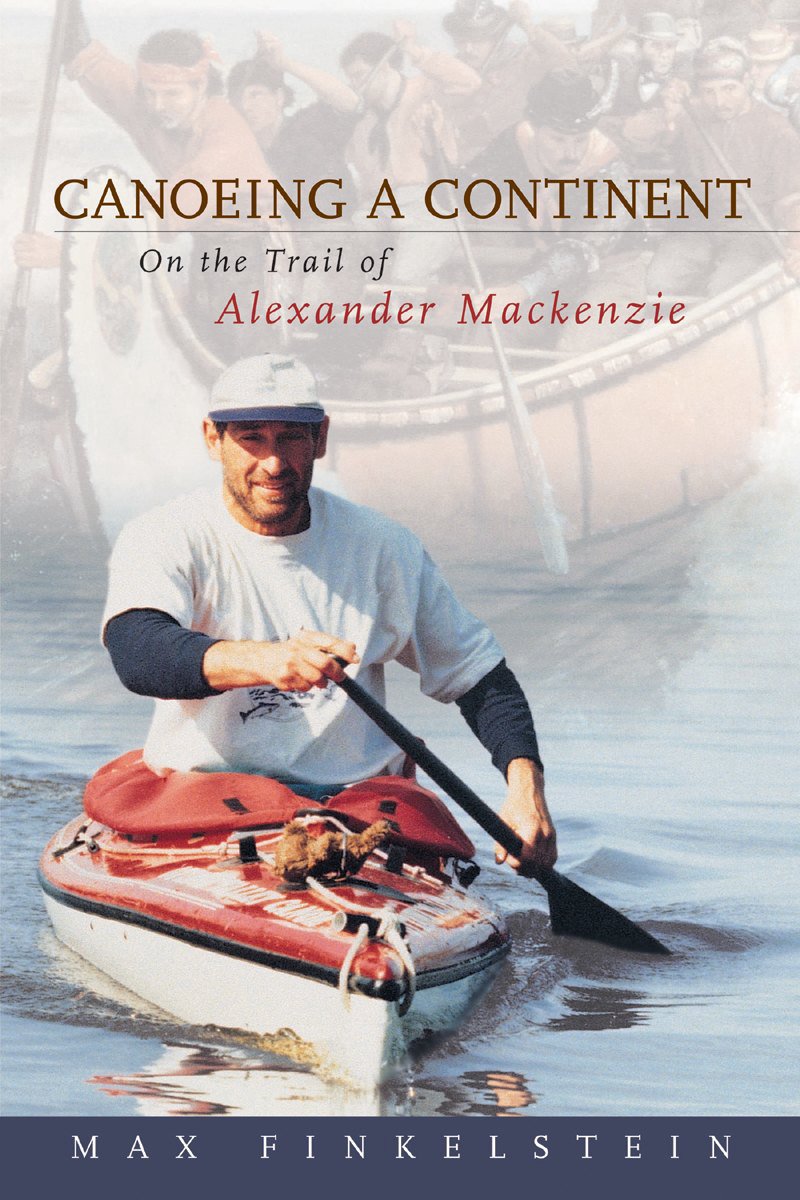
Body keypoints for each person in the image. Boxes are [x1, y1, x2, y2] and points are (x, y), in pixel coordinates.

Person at [101, 354, 558, 875]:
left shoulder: (384, 546)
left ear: (320, 438)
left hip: (356, 808)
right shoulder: (164, 535)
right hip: (207, 798)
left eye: (291, 438)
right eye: (251, 439)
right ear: (212, 438)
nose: (273, 463)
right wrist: (266, 660)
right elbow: (138, 651)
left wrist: (526, 792)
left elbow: (481, 679)